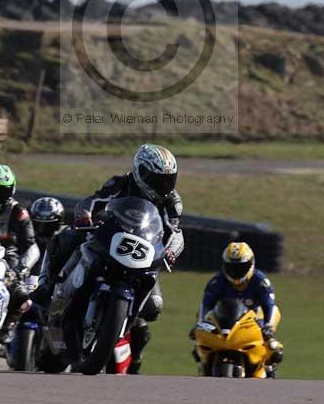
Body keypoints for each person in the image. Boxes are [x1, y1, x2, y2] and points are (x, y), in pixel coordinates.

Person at [31, 143, 184, 374]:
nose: (163, 185)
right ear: (140, 172)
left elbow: (174, 232)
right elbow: (92, 201)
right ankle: (46, 285)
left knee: (154, 306)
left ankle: (133, 357)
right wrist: (84, 216)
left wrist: (171, 251)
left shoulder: (172, 201)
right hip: (110, 237)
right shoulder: (120, 183)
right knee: (65, 237)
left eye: (168, 180)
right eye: (157, 179)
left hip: (142, 253)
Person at [194, 241, 283, 375]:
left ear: (251, 264)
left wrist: (268, 327)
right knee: (199, 342)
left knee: (271, 345)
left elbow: (269, 304)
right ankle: (205, 364)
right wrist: (199, 324)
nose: (235, 272)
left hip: (253, 320)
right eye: (231, 267)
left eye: (241, 267)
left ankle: (267, 363)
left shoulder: (260, 281)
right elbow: (206, 304)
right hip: (225, 320)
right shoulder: (217, 281)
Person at [0, 164, 40, 344]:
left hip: (6, 260)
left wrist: (22, 269)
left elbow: (31, 245)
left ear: (11, 190)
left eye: (1, 191)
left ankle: (7, 327)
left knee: (21, 294)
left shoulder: (18, 212)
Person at [29, 196, 67, 281]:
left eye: (48, 225)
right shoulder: (27, 238)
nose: (42, 229)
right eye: (38, 224)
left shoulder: (65, 239)